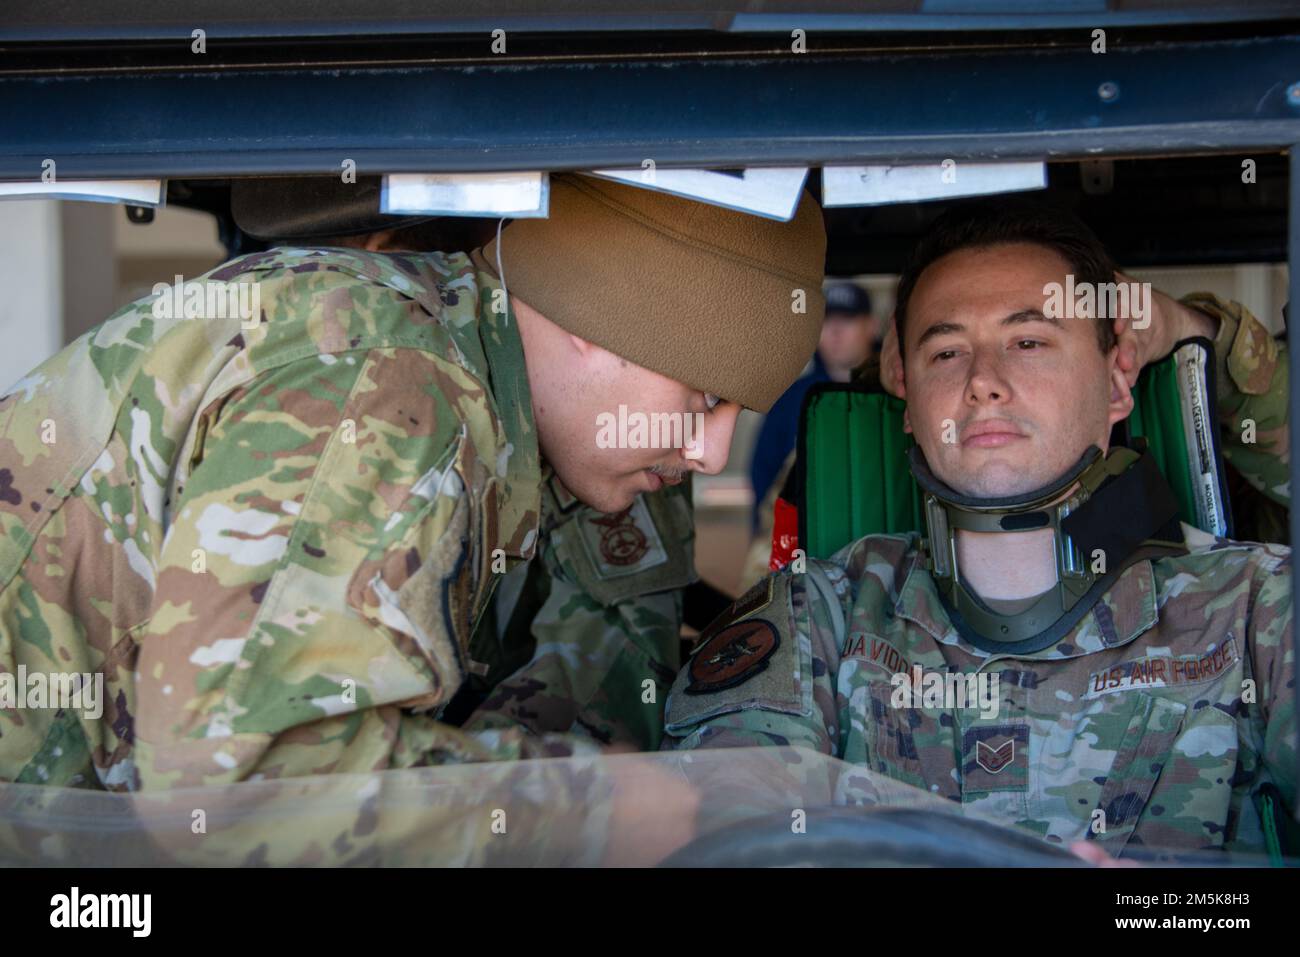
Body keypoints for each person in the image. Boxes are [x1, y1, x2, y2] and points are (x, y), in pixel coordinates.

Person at [0, 172, 827, 793]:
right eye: (707, 398)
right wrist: (593, 806)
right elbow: (242, 777)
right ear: (596, 326)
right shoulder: (395, 389)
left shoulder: (472, 393)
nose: (713, 454)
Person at [664, 200, 1295, 859]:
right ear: (907, 397)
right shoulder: (814, 618)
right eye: (947, 351)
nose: (984, 383)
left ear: (1116, 380)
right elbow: (722, 831)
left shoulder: (1262, 610)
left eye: (1029, 342)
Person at [747, 282, 877, 534]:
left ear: (871, 326)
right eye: (827, 321)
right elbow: (763, 473)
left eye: (848, 320)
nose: (835, 331)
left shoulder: (897, 390)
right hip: (810, 544)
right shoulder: (791, 399)